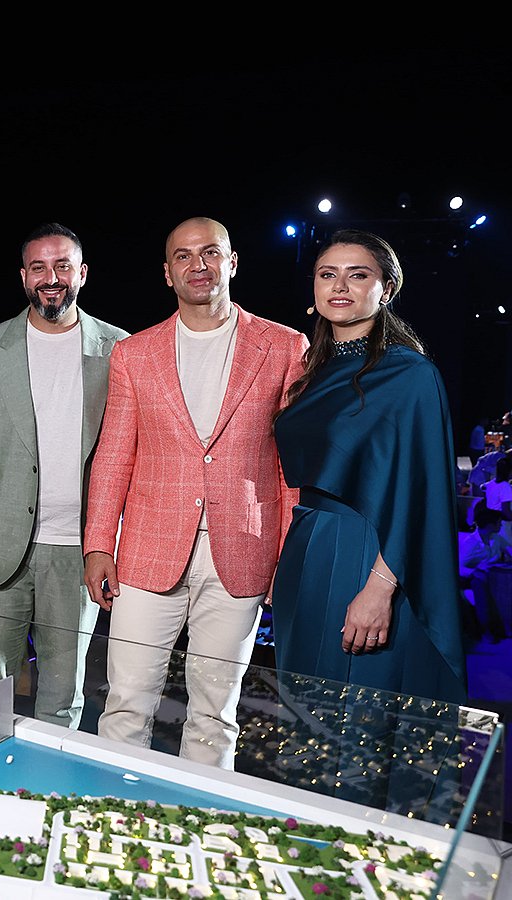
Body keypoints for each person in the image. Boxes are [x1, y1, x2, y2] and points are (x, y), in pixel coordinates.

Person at [83, 216, 308, 770]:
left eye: (210, 252)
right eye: (183, 256)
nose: (198, 265)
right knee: (126, 703)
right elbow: (114, 456)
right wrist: (98, 545)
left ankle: (203, 817)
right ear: (168, 273)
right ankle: (112, 810)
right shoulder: (135, 353)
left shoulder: (284, 346)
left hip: (243, 551)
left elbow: (292, 467)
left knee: (215, 715)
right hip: (146, 552)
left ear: (232, 262)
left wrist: (288, 557)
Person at [270, 230, 470, 814]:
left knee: (360, 718)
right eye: (327, 274)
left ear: (386, 289)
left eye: (358, 274)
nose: (340, 286)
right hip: (310, 550)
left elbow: (423, 494)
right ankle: (308, 840)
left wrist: (380, 588)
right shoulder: (311, 371)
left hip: (370, 556)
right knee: (308, 716)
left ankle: (366, 847)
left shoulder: (410, 374)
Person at [0, 222, 130, 729]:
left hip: (80, 549)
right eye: (38, 267)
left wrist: (112, 543)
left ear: (82, 273)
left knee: (63, 693)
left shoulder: (120, 349)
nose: (51, 278)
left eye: (62, 266)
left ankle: (51, 777)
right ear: (23, 276)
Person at [459, 504, 511, 644]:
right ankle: (486, 629)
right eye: (498, 523)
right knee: (480, 584)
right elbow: (460, 567)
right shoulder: (470, 542)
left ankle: (504, 625)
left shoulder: (496, 538)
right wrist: (475, 572)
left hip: (490, 575)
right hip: (469, 577)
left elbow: (509, 550)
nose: (501, 525)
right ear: (489, 525)